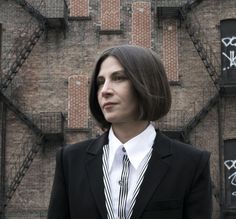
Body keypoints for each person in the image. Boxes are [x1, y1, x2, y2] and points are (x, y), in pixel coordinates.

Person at [47, 45, 212, 219]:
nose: (105, 91)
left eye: (118, 78)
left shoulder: (191, 163)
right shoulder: (70, 160)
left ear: (148, 83)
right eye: (100, 82)